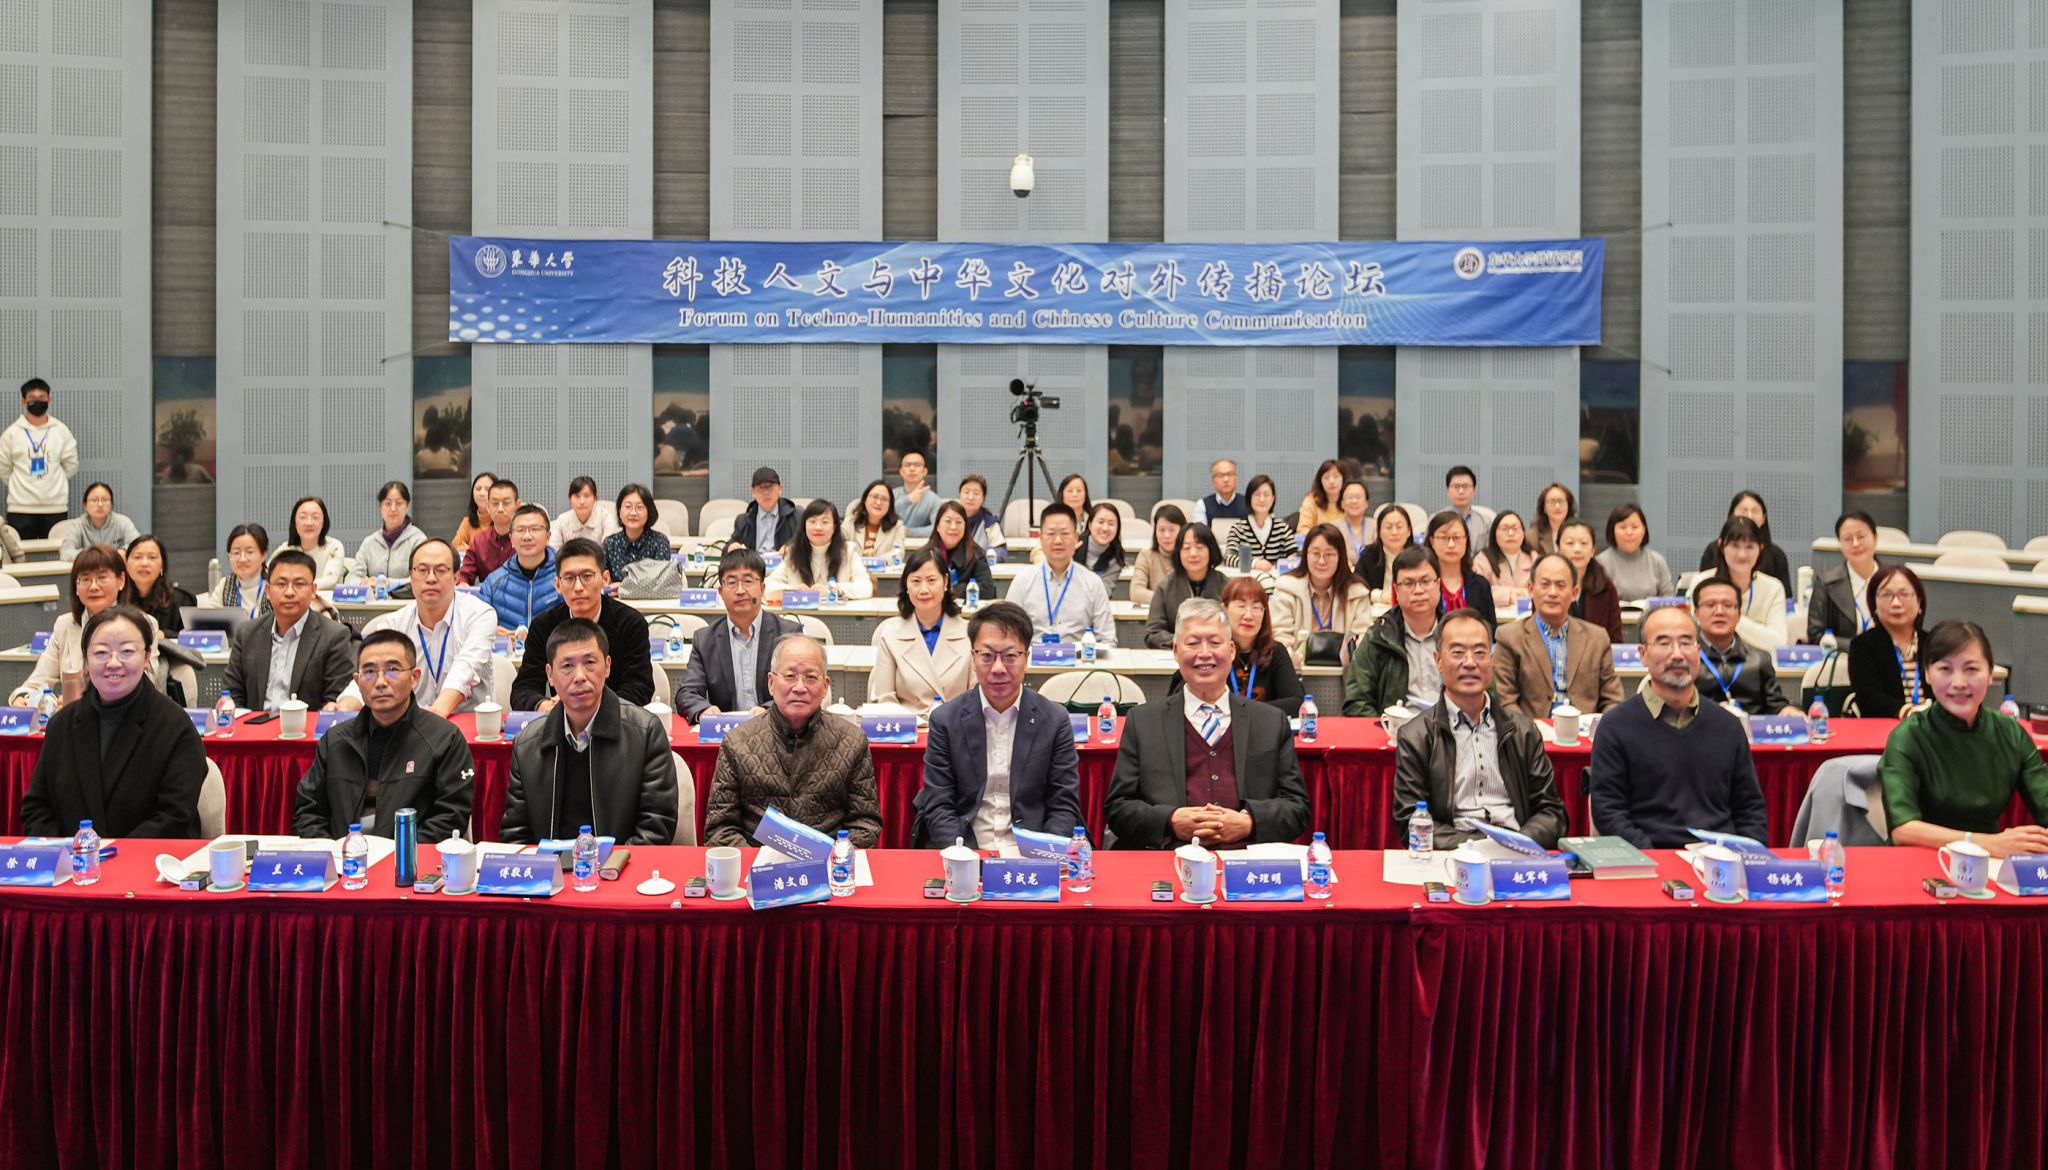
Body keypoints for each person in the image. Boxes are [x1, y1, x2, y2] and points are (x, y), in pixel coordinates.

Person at [1103, 598, 1312, 848]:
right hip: (1170, 857)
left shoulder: (1269, 721)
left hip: (1246, 861)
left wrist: (1249, 822)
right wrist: (1169, 820)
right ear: (1176, 651)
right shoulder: (1144, 722)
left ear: (1232, 650)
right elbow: (1118, 809)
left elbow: (1297, 808)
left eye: (1214, 642)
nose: (1204, 653)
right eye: (1193, 643)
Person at [1585, 604, 1769, 848]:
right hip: (1649, 857)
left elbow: (1750, 810)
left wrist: (1745, 855)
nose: (1677, 654)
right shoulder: (1615, 726)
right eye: (1664, 643)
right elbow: (1609, 812)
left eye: (1685, 643)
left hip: (1719, 860)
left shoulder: (1728, 726)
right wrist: (1655, 859)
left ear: (1698, 651)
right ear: (1642, 654)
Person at [18, 606, 203, 837]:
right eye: (101, 653)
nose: (113, 663)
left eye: (126, 652)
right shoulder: (61, 726)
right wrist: (72, 852)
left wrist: (111, 853)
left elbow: (174, 817)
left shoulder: (175, 727)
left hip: (149, 856)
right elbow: (36, 809)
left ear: (146, 656)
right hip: (73, 858)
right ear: (86, 659)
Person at [913, 600, 1083, 849]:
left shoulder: (1054, 720)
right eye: (987, 656)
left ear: (1027, 658)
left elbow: (1063, 805)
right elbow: (939, 804)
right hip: (966, 847)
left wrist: (1043, 855)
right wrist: (963, 857)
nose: (998, 668)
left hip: (1031, 850)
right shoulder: (945, 720)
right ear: (973, 658)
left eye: (1010, 656)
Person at [1394, 608, 1569, 849]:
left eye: (1479, 652)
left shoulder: (1522, 732)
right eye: (1458, 653)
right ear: (1438, 660)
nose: (1470, 662)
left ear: (1491, 659)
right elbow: (1410, 821)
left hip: (1516, 851)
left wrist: (1517, 842)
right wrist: (1478, 847)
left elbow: (1552, 812)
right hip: (1453, 854)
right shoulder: (1416, 736)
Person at [501, 618, 681, 845]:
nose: (579, 676)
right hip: (551, 867)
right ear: (550, 675)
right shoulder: (527, 745)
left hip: (621, 864)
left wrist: (610, 864)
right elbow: (516, 834)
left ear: (607, 666)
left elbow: (655, 828)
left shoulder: (645, 733)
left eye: (589, 663)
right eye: (567, 666)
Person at [1879, 621, 2048, 857]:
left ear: (1990, 674)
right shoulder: (1908, 736)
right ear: (1927, 674)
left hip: (1990, 865)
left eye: (1971, 669)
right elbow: (1903, 829)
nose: (1959, 683)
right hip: (1919, 860)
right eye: (1945, 669)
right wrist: (1985, 843)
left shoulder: (2011, 733)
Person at [291, 630, 476, 842]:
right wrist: (333, 853)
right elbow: (308, 811)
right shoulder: (335, 740)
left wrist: (402, 853)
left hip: (410, 858)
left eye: (392, 670)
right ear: (357, 681)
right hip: (343, 858)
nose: (380, 682)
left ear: (414, 677)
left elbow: (450, 817)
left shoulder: (444, 739)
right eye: (369, 672)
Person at [703, 635, 882, 848]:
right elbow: (720, 829)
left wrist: (834, 857)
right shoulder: (737, 743)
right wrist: (758, 862)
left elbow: (865, 823)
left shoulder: (852, 741)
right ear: (771, 683)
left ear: (825, 686)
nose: (799, 687)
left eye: (810, 677)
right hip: (757, 862)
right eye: (790, 676)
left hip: (829, 863)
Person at [333, 539, 497, 716]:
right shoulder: (394, 624)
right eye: (422, 570)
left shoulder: (479, 615)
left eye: (441, 570)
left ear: (456, 577)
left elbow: (466, 668)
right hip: (407, 723)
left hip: (467, 722)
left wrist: (436, 713)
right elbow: (371, 672)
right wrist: (344, 705)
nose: (431, 578)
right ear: (411, 576)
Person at [8, 545, 164, 706]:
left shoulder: (143, 624)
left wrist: (80, 703)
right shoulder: (65, 625)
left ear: (121, 580)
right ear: (76, 587)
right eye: (86, 579)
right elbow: (38, 680)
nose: (93, 586)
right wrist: (24, 698)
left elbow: (144, 685)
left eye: (102, 578)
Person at [510, 538, 654, 710]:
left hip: (615, 718)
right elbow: (524, 688)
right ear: (557, 584)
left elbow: (639, 687)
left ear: (605, 579)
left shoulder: (631, 623)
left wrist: (592, 709)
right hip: (561, 720)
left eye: (587, 576)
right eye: (569, 578)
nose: (578, 587)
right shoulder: (543, 626)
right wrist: (544, 706)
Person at [1491, 553, 1624, 720]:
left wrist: (1600, 728)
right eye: (1545, 584)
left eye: (1560, 585)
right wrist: (1529, 731)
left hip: (1585, 730)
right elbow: (1505, 700)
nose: (1552, 593)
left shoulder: (1597, 638)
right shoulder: (1509, 637)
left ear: (1574, 593)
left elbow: (1613, 699)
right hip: (1531, 730)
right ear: (1531, 589)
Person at [673, 549, 801, 723]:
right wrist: (704, 710)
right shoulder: (705, 640)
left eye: (748, 581)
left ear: (762, 588)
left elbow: (798, 688)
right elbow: (687, 692)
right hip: (726, 733)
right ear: (720, 591)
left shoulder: (788, 634)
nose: (740, 590)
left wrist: (768, 710)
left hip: (777, 729)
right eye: (732, 582)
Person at [221, 550, 356, 711]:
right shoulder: (247, 633)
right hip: (253, 725)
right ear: (268, 591)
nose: (289, 592)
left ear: (313, 590)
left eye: (299, 584)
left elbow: (334, 703)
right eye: (281, 584)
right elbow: (232, 696)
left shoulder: (334, 636)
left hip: (307, 726)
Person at [1169, 575, 1305, 715]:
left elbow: (1297, 702)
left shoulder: (1275, 651)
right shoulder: (1214, 653)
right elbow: (1178, 702)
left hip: (1260, 726)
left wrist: (1243, 712)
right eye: (1241, 606)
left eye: (1256, 608)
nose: (1248, 615)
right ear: (1224, 609)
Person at [869, 548, 972, 713]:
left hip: (957, 724)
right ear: (906, 585)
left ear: (945, 582)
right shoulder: (890, 635)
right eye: (916, 581)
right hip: (908, 725)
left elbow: (976, 699)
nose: (923, 589)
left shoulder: (969, 634)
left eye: (931, 580)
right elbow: (884, 700)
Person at [1343, 547, 1444, 716]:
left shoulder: (1457, 635)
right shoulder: (1378, 637)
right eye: (1409, 583)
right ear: (1396, 590)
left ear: (1438, 584)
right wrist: (1385, 727)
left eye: (1425, 581)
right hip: (1396, 728)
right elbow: (1357, 702)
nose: (1418, 590)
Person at [1003, 503, 1115, 645]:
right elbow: (1007, 634)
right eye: (1051, 534)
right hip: (1033, 658)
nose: (1058, 540)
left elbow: (1107, 639)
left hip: (1078, 658)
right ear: (1040, 538)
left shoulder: (1093, 583)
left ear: (1076, 538)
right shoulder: (1022, 581)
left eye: (1064, 533)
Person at [1691, 576, 1801, 716]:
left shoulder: (1759, 659)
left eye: (1727, 605)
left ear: (1739, 614)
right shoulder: (1687, 658)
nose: (1719, 612)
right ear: (1696, 613)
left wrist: (1787, 710)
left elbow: (1776, 706)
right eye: (1710, 605)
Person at [1270, 524, 1372, 665]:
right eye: (1315, 553)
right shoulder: (1287, 588)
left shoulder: (1356, 591)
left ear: (1340, 556)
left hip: (1345, 669)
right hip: (1297, 668)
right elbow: (1280, 633)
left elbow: (1363, 636)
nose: (1321, 561)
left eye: (1329, 554)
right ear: (1305, 555)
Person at [1689, 516, 1786, 651]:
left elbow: (1778, 642)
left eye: (1749, 547)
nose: (1742, 555)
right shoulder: (1702, 584)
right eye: (1735, 546)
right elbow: (1696, 633)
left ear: (1761, 548)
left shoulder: (1773, 588)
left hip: (1759, 662)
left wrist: (1729, 619)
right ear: (1721, 546)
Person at [0, 377, 78, 540]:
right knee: (20, 553)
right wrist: (19, 485)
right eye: (32, 399)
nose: (37, 402)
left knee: (55, 552)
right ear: (23, 401)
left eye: (42, 398)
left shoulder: (61, 431)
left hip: (55, 506)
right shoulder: (12, 433)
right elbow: (4, 468)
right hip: (20, 507)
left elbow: (71, 464)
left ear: (49, 400)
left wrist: (54, 482)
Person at [1849, 564, 1928, 719]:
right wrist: (1906, 712)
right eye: (1886, 595)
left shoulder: (1935, 644)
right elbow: (1868, 697)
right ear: (1874, 604)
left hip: (1934, 728)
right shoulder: (1863, 646)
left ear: (1919, 601)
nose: (1896, 603)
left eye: (1904, 594)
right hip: (1887, 728)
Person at [765, 498, 872, 603]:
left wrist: (831, 589)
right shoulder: (793, 553)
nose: (818, 527)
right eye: (812, 521)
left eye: (825, 522)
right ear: (804, 526)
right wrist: (793, 590)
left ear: (834, 527)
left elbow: (865, 588)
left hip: (837, 613)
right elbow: (767, 587)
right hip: (800, 613)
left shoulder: (848, 551)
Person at [478, 503, 561, 632]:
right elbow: (477, 625)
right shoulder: (493, 583)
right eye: (520, 530)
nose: (527, 536)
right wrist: (492, 632)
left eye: (535, 529)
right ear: (511, 539)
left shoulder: (565, 577)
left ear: (548, 537)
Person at [1144, 522, 1227, 648]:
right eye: (1186, 548)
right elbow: (1153, 633)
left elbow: (1234, 630)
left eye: (1199, 547)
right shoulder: (1165, 587)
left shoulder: (1226, 586)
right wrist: (1186, 643)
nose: (1193, 553)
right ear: (1179, 552)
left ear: (1211, 550)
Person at [1695, 490, 1792, 592]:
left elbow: (1786, 596)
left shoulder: (1776, 556)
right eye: (1744, 510)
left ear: (1764, 518)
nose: (1749, 516)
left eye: (1755, 511)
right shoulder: (1712, 550)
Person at [1808, 510, 1881, 642]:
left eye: (1861, 537)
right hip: (1843, 653)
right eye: (1848, 539)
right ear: (1840, 544)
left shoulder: (1892, 581)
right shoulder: (1826, 583)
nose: (1855, 544)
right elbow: (1815, 634)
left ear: (1875, 538)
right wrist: (1858, 649)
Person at [1425, 510, 1496, 632]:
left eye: (1456, 538)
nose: (1451, 544)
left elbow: (1491, 630)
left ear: (1466, 540)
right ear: (1432, 541)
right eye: (1444, 538)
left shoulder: (1481, 585)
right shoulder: (1424, 584)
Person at [348, 481, 428, 586]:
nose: (393, 509)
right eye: (388, 503)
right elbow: (351, 578)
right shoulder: (369, 542)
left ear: (407, 505)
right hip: (373, 596)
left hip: (407, 597)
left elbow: (422, 578)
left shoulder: (418, 541)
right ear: (380, 506)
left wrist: (386, 583)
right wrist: (363, 583)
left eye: (399, 503)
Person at [1559, 519, 1624, 644]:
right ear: (1559, 549)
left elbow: (1615, 640)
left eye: (1583, 543)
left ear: (1593, 550)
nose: (1577, 549)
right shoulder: (1547, 587)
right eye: (1570, 543)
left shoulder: (1606, 588)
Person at [1594, 504, 1674, 602]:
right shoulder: (1600, 563)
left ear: (1644, 530)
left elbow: (1669, 597)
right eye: (1622, 527)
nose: (1629, 532)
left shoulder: (1657, 561)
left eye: (1635, 527)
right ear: (1612, 530)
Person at [122, 534, 196, 637]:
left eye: (152, 557)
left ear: (162, 565)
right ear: (126, 564)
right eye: (137, 557)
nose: (144, 563)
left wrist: (164, 635)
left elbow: (194, 637)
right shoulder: (116, 597)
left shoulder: (182, 600)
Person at [926, 500, 994, 604]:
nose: (953, 527)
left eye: (958, 522)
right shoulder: (926, 554)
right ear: (937, 526)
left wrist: (954, 589)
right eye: (948, 521)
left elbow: (988, 589)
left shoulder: (976, 554)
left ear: (965, 527)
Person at [1225, 474, 1296, 572]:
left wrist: (1284, 564)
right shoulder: (1239, 528)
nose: (1262, 499)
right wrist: (1254, 563)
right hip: (1249, 579)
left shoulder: (1282, 528)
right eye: (1257, 494)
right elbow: (1228, 558)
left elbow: (1296, 555)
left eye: (1266, 495)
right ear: (1249, 498)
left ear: (1273, 499)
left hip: (1277, 579)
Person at [604, 482, 673, 582]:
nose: (633, 513)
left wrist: (623, 587)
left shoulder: (659, 542)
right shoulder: (610, 544)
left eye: (639, 507)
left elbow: (660, 583)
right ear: (620, 512)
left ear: (648, 512)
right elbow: (601, 580)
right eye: (628, 507)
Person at [458, 477, 521, 584]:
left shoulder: (526, 538)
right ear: (488, 507)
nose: (500, 509)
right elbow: (464, 575)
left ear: (517, 505)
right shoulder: (479, 541)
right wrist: (463, 583)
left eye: (506, 503)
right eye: (495, 503)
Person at [280, 496, 348, 590]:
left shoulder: (334, 547)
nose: (309, 523)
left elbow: (330, 580)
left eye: (315, 517)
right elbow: (269, 577)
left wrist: (299, 587)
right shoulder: (286, 549)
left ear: (323, 522)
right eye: (303, 517)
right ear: (294, 523)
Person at [205, 523, 272, 619]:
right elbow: (209, 619)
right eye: (236, 553)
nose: (242, 559)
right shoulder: (224, 585)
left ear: (263, 555)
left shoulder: (274, 584)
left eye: (249, 552)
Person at [58, 482, 139, 560]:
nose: (100, 504)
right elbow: (65, 553)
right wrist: (91, 556)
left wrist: (123, 551)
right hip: (88, 567)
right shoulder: (78, 525)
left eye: (105, 500)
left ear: (111, 504)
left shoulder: (123, 522)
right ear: (85, 505)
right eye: (94, 500)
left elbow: (138, 546)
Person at [731, 466, 799, 558]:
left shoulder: (796, 517)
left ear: (780, 488)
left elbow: (806, 544)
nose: (766, 493)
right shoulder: (743, 521)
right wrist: (732, 547)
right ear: (753, 492)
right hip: (754, 564)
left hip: (784, 563)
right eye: (761, 488)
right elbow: (730, 546)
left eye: (770, 487)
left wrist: (792, 547)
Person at [1129, 504, 1184, 608]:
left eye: (1172, 530)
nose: (1166, 535)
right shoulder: (1146, 556)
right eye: (1161, 530)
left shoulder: (1189, 556)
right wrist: (1167, 599)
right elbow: (1136, 592)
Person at [1473, 510, 1534, 603]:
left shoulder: (1534, 558)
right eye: (1504, 528)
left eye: (1515, 528)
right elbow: (1478, 591)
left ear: (1523, 533)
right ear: (1494, 534)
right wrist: (1508, 595)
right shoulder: (1482, 559)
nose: (1510, 533)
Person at [1355, 500, 1411, 596]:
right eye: (1388, 527)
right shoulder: (1368, 555)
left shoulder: (1419, 557)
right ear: (1379, 532)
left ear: (1409, 531)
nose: (1394, 532)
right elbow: (1357, 587)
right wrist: (1379, 596)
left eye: (1399, 527)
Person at [550, 475, 618, 548]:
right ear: (569, 498)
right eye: (577, 496)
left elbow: (609, 550)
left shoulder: (605, 518)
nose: (582, 501)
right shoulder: (562, 520)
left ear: (595, 498)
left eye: (586, 496)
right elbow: (553, 549)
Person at [845, 479, 906, 560]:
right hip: (854, 568)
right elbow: (839, 549)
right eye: (875, 497)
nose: (878, 502)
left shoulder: (897, 526)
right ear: (865, 500)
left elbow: (898, 554)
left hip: (884, 568)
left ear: (890, 505)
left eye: (884, 499)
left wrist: (873, 562)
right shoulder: (850, 523)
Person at [893, 449, 941, 538]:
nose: (912, 469)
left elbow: (939, 528)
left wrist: (908, 532)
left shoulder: (934, 500)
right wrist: (908, 500)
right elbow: (880, 518)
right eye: (907, 465)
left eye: (917, 465)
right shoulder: (891, 495)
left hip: (920, 545)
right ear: (901, 472)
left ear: (924, 471)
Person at [1444, 466, 1493, 551]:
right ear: (1447, 490)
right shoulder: (1435, 519)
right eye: (1456, 487)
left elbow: (1491, 551)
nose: (1461, 491)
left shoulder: (1486, 521)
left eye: (1465, 487)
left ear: (1474, 490)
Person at [1079, 502, 1127, 589]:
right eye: (1101, 522)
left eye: (1111, 524)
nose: (1105, 528)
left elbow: (1104, 592)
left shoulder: (1115, 559)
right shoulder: (1074, 546)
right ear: (1090, 525)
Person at [1190, 459, 1246, 527]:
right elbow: (1199, 532)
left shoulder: (1248, 503)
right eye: (1220, 476)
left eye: (1230, 474)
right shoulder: (1202, 505)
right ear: (1213, 481)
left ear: (1236, 478)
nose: (1226, 479)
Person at [956, 473, 1006, 550]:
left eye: (976, 493)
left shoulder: (989, 522)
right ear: (960, 495)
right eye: (966, 492)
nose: (970, 497)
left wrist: (989, 554)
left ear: (983, 498)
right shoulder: (951, 518)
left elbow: (1000, 550)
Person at [1296, 458, 1346, 533]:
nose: (1332, 481)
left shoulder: (1349, 501)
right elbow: (1302, 530)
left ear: (1343, 479)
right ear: (1320, 481)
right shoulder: (1311, 501)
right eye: (1326, 477)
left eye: (1336, 477)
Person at [452, 471, 494, 554]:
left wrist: (470, 549)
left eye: (487, 489)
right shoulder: (467, 522)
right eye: (478, 489)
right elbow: (454, 547)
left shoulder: (503, 521)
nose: (482, 493)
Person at [1530, 482, 1576, 557]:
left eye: (1561, 501)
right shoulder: (1532, 537)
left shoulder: (1579, 533)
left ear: (1568, 505)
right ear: (1544, 508)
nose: (1557, 506)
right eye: (1552, 501)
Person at [1335, 480, 1375, 565]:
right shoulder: (1334, 527)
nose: (1354, 501)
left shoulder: (1376, 526)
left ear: (1366, 503)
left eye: (1358, 497)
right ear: (1342, 503)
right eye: (1350, 497)